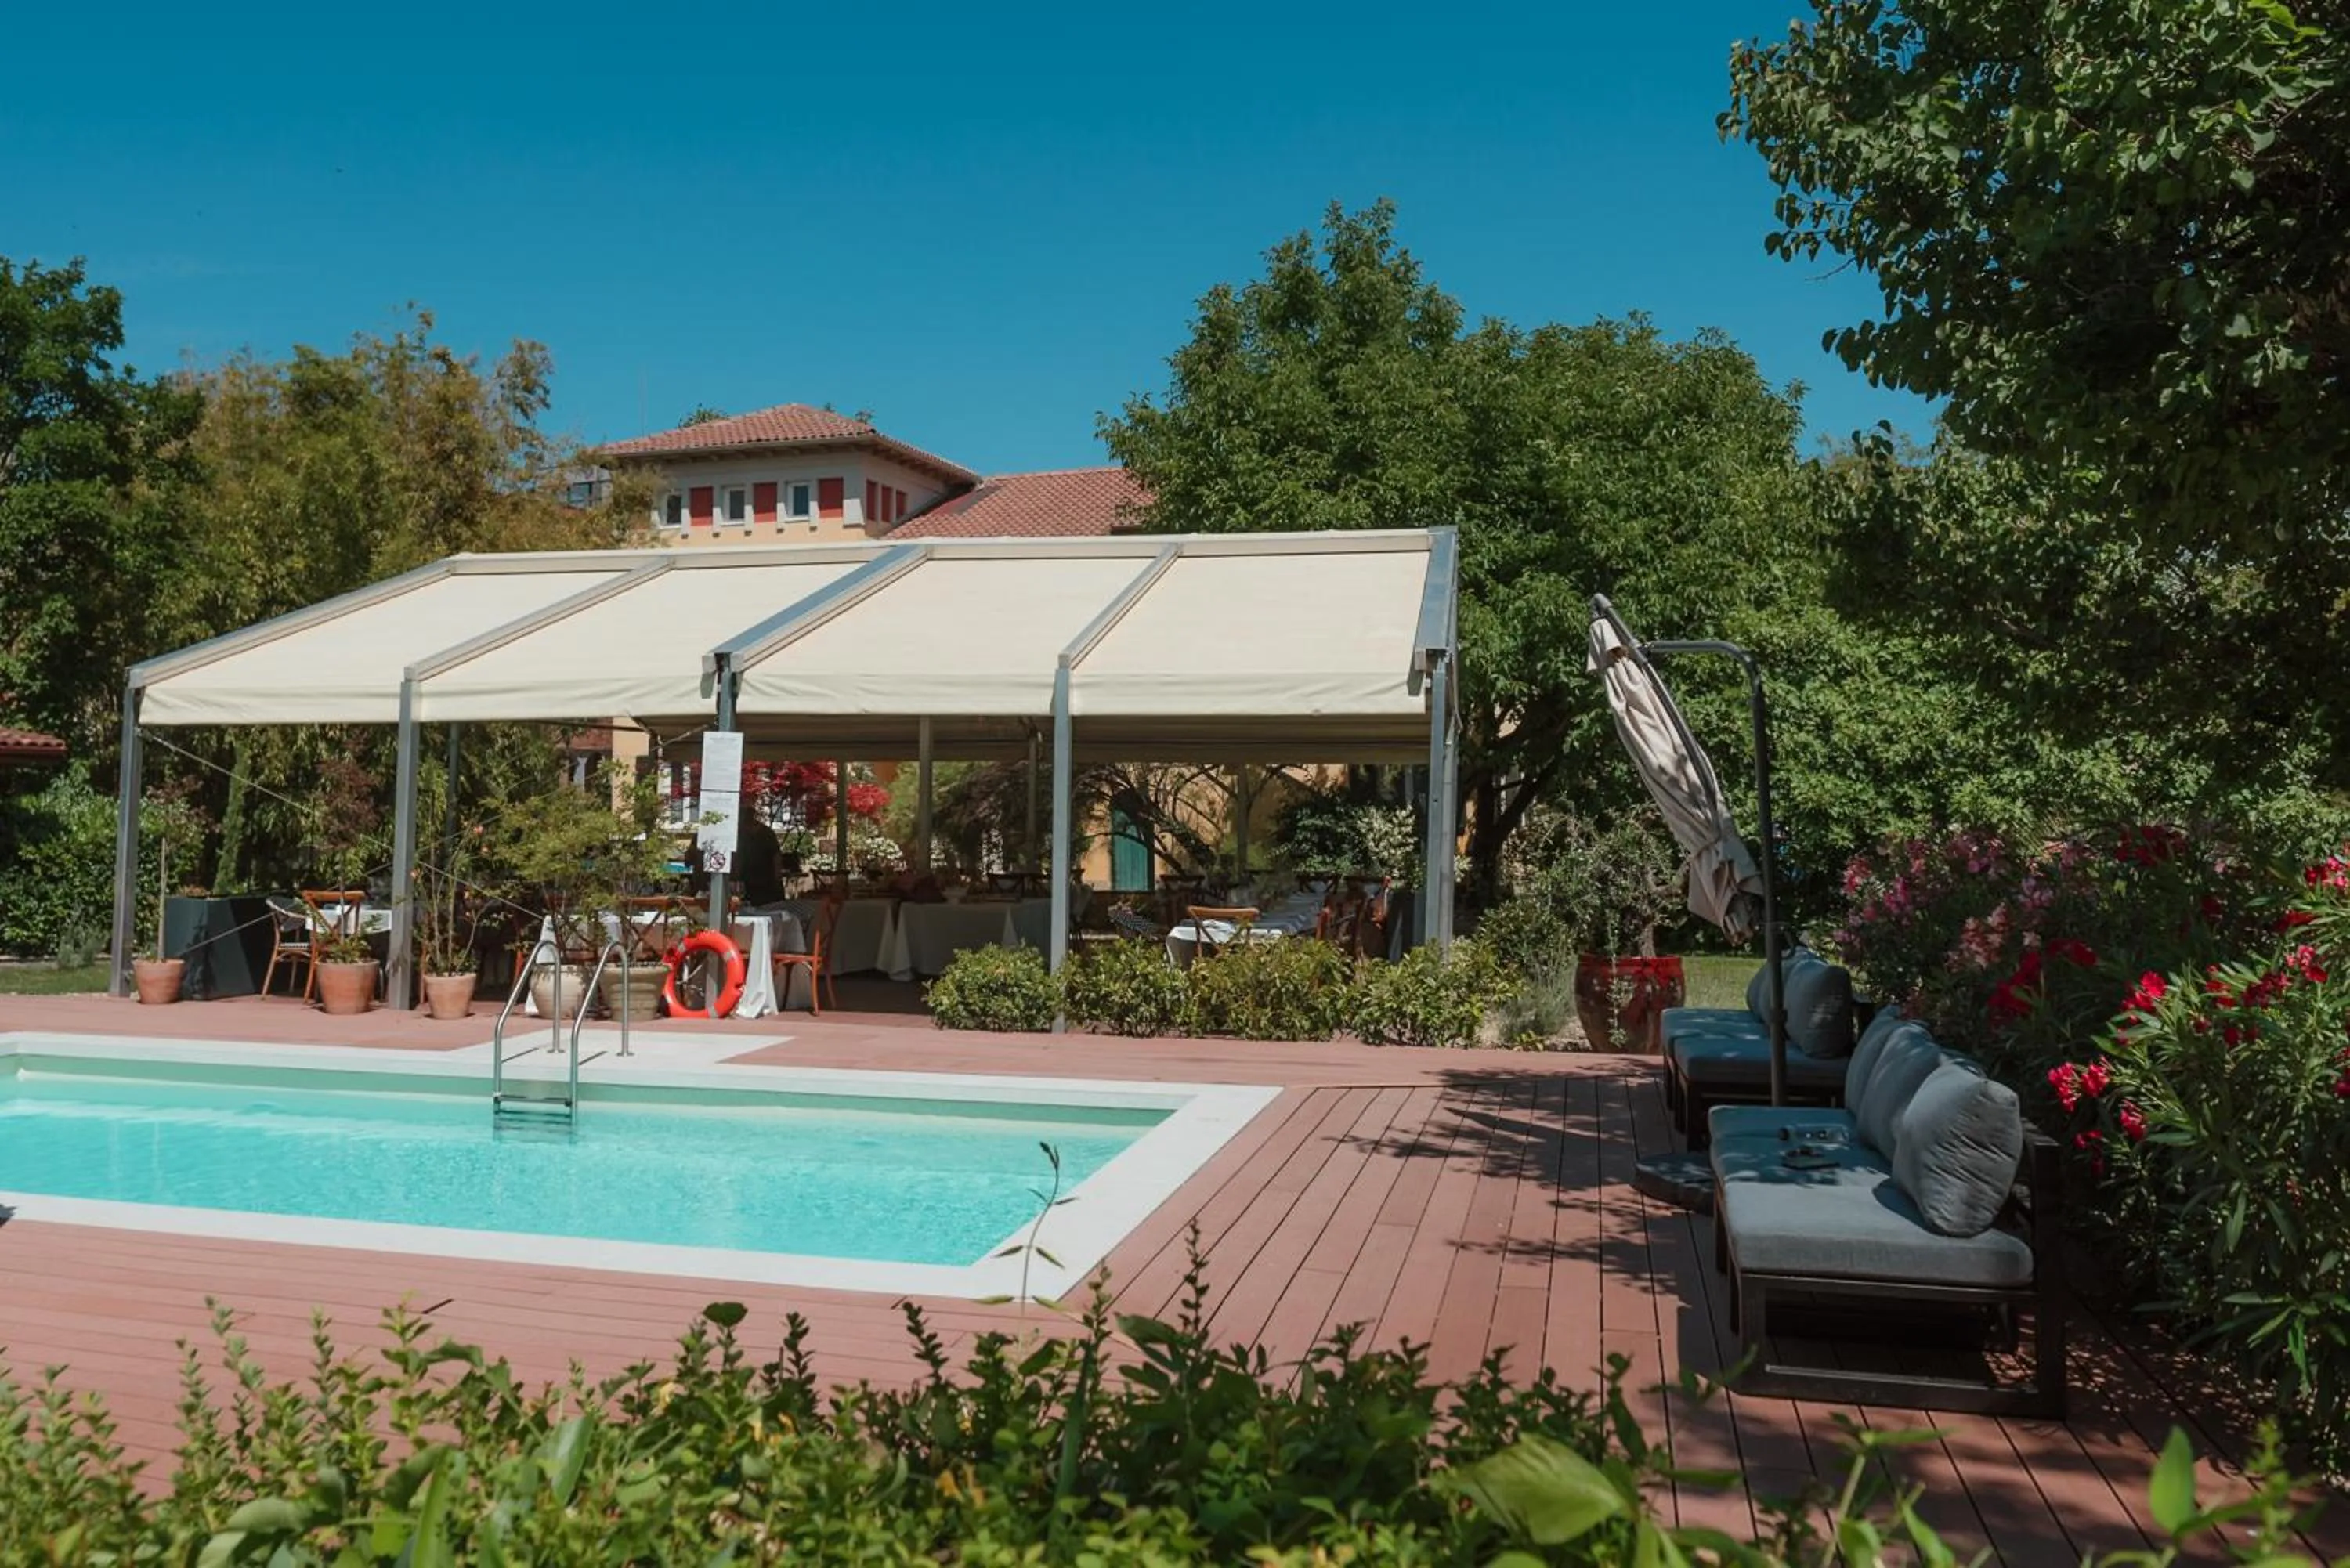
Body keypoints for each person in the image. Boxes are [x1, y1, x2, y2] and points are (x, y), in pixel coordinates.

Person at [734, 811, 788, 908]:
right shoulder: (742, 834)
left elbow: (776, 858)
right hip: (748, 883)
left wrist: (777, 879)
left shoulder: (767, 834)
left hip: (767, 883)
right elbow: (738, 858)